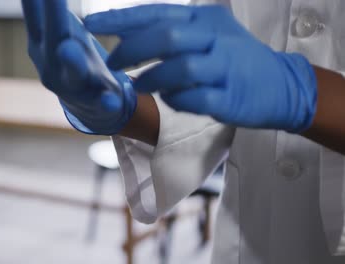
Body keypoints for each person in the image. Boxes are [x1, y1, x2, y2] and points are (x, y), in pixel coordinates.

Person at [21, 0, 345, 263]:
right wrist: (127, 103)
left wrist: (303, 89)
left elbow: (266, 82)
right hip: (249, 239)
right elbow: (228, 85)